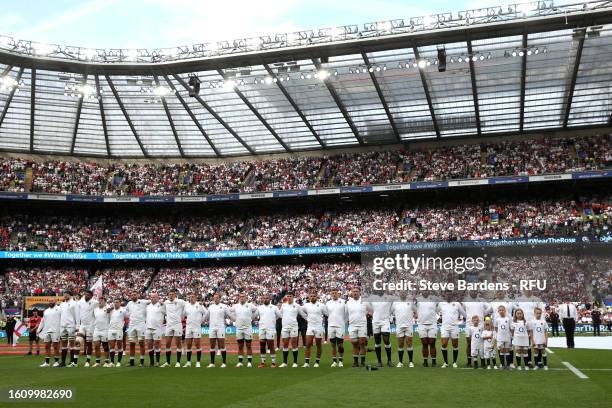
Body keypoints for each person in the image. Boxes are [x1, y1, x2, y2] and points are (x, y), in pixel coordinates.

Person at [463, 293, 491, 367]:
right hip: (469, 325)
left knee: (481, 344)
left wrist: (483, 314)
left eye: (475, 289)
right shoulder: (466, 300)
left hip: (480, 325)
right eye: (472, 290)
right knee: (469, 344)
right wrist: (468, 317)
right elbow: (462, 310)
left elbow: (490, 307)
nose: (473, 291)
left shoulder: (482, 300)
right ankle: (469, 362)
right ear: (469, 291)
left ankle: (483, 361)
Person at [301, 290, 328, 368]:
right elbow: (300, 310)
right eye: (311, 296)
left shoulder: (321, 305)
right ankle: (307, 362)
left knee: (318, 344)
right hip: (310, 327)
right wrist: (306, 318)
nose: (312, 297)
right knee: (308, 344)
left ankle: (317, 362)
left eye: (314, 296)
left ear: (317, 297)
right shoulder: (306, 305)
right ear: (309, 297)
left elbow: (327, 314)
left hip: (319, 327)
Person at [346, 287, 371, 368]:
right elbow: (346, 314)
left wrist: (369, 315)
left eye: (356, 291)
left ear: (359, 292)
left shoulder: (365, 301)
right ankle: (356, 362)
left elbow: (371, 310)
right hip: (352, 325)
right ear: (351, 293)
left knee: (362, 343)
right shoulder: (348, 302)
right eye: (353, 291)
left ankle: (363, 362)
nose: (355, 293)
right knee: (354, 343)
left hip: (362, 325)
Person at [161, 289, 186, 368]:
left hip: (177, 325)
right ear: (168, 295)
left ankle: (178, 362)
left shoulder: (180, 302)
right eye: (170, 294)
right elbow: (163, 311)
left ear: (175, 295)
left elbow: (188, 305)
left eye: (172, 294)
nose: (171, 296)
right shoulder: (166, 303)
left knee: (178, 343)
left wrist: (183, 315)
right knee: (167, 344)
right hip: (169, 325)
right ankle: (167, 362)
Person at [437, 299, 465, 368]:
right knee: (444, 344)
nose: (448, 295)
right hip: (444, 327)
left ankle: (454, 362)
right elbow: (435, 311)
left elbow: (463, 313)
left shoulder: (457, 304)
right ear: (445, 295)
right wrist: (439, 317)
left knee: (455, 344)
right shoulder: (441, 303)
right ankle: (445, 362)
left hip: (454, 327)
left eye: (449, 293)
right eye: (446, 293)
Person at [255, 294, 281, 368]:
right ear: (262, 299)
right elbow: (254, 316)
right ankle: (263, 362)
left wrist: (273, 320)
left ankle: (273, 363)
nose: (265, 299)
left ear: (269, 299)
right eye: (264, 298)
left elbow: (279, 315)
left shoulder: (274, 307)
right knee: (262, 346)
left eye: (267, 298)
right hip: (262, 328)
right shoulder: (259, 308)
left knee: (271, 345)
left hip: (270, 328)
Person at [231, 293, 256, 368]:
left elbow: (256, 310)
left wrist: (252, 318)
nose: (242, 298)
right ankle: (240, 362)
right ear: (239, 298)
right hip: (239, 328)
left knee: (248, 345)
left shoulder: (250, 305)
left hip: (248, 328)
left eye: (243, 296)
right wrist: (234, 319)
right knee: (240, 346)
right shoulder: (235, 306)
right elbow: (229, 312)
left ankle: (249, 362)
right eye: (240, 297)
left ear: (246, 298)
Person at [279, 292, 304, 368]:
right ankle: (284, 363)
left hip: (294, 327)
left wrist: (309, 319)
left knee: (294, 344)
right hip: (285, 327)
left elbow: (303, 314)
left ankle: (295, 362)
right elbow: (280, 315)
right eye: (288, 296)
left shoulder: (297, 306)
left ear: (293, 297)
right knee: (285, 344)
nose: (289, 297)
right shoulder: (283, 305)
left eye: (290, 296)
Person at [391, 293, 416, 368]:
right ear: (399, 294)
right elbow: (391, 312)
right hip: (399, 326)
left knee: (409, 343)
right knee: (400, 344)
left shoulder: (410, 302)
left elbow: (416, 310)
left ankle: (411, 362)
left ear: (406, 294)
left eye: (404, 292)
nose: (402, 294)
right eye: (401, 292)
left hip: (409, 326)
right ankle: (400, 362)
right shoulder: (395, 303)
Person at [368, 295, 394, 368]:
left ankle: (389, 360)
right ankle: (379, 361)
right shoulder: (372, 298)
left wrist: (390, 317)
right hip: (376, 321)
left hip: (385, 321)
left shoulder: (389, 298)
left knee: (386, 340)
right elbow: (369, 308)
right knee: (377, 341)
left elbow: (392, 309)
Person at [125, 291, 149, 367]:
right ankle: (132, 361)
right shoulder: (129, 303)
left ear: (137, 295)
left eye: (135, 294)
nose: (133, 296)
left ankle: (142, 361)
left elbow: (152, 301)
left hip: (141, 324)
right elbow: (126, 311)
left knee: (141, 342)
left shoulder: (143, 302)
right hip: (132, 325)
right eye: (132, 295)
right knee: (132, 343)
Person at [183, 294, 207, 368]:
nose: (191, 298)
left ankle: (198, 362)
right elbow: (183, 314)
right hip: (189, 327)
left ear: (196, 298)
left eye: (193, 297)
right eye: (190, 297)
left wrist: (201, 320)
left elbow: (206, 313)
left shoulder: (199, 305)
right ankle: (188, 362)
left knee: (197, 344)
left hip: (197, 327)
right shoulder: (187, 305)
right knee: (188, 345)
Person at [207, 292, 230, 368]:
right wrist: (199, 321)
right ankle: (212, 363)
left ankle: (224, 363)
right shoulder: (210, 307)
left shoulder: (224, 306)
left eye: (217, 297)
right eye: (214, 297)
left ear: (220, 298)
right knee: (212, 345)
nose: (215, 299)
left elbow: (229, 315)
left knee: (221, 345)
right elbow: (206, 316)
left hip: (220, 327)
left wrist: (236, 319)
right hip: (212, 327)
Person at [325, 288, 346, 368]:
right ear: (331, 294)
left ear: (338, 294)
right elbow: (326, 313)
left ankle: (340, 360)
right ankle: (334, 361)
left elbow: (346, 313)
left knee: (340, 344)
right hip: (331, 326)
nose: (334, 294)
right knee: (333, 344)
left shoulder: (343, 302)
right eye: (332, 293)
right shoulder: (328, 303)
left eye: (335, 293)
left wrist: (343, 321)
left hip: (340, 326)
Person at [76, 290, 97, 367]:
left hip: (90, 326)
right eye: (85, 294)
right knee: (77, 342)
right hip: (82, 325)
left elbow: (104, 305)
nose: (86, 296)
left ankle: (87, 361)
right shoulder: (80, 302)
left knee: (89, 343)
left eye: (88, 295)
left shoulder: (95, 302)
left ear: (91, 296)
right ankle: (75, 362)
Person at [416, 294, 438, 367]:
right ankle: (425, 361)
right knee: (424, 343)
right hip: (422, 324)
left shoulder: (434, 299)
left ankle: (434, 361)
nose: (425, 291)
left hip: (432, 324)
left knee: (432, 343)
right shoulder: (417, 299)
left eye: (426, 290)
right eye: (424, 289)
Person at [145, 292, 165, 367]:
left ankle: (157, 361)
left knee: (157, 344)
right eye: (151, 297)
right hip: (148, 328)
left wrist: (163, 304)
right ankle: (152, 362)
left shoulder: (161, 305)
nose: (152, 298)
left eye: (154, 297)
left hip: (157, 328)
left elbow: (167, 313)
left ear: (157, 298)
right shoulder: (147, 306)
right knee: (149, 344)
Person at [39, 300, 61, 367]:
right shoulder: (46, 311)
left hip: (56, 330)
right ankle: (47, 362)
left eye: (52, 301)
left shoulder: (59, 309)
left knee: (56, 347)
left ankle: (56, 362)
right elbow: (42, 320)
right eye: (50, 302)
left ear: (55, 302)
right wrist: (39, 329)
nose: (51, 302)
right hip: (47, 330)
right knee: (46, 346)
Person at [59, 291, 78, 367]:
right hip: (63, 325)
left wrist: (77, 326)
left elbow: (77, 315)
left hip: (71, 325)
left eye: (66, 294)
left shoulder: (74, 303)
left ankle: (72, 362)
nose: (65, 296)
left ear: (70, 295)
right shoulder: (62, 304)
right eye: (64, 294)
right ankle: (63, 362)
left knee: (71, 344)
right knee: (63, 344)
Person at [92, 297, 110, 367]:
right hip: (96, 329)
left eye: (102, 300)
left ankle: (106, 362)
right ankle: (97, 361)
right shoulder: (95, 310)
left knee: (105, 346)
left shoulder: (107, 308)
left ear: (105, 302)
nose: (100, 302)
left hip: (105, 329)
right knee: (96, 346)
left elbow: (110, 309)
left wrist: (107, 307)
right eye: (99, 300)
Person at [107, 299, 126, 367]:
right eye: (114, 302)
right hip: (111, 329)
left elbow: (128, 317)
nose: (115, 303)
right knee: (111, 346)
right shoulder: (111, 310)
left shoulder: (123, 310)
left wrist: (123, 325)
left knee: (119, 345)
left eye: (117, 302)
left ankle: (119, 362)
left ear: (120, 303)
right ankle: (112, 362)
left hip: (119, 330)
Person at [494, 304, 512, 369]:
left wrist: (511, 335)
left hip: (507, 337)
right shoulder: (497, 319)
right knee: (501, 350)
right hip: (500, 337)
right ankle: (502, 364)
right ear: (498, 311)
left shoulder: (508, 319)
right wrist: (498, 335)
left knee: (507, 350)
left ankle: (508, 365)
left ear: (505, 311)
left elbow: (510, 328)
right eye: (500, 310)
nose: (501, 311)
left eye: (502, 310)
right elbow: (496, 328)